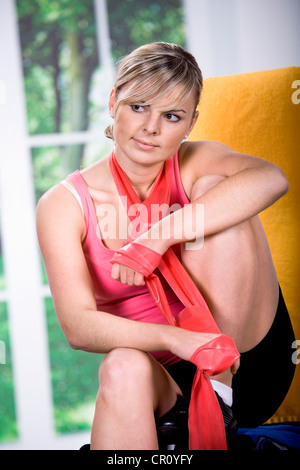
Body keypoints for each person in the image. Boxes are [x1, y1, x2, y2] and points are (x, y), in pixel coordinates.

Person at [36, 42, 295, 450]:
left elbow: (272, 179)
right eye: (139, 107)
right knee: (121, 364)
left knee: (220, 190)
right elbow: (78, 326)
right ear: (113, 101)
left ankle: (217, 395)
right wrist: (174, 339)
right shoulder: (63, 204)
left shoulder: (195, 162)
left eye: (171, 116)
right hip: (164, 375)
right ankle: (188, 417)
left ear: (190, 124)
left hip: (245, 364)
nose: (151, 128)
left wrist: (157, 236)